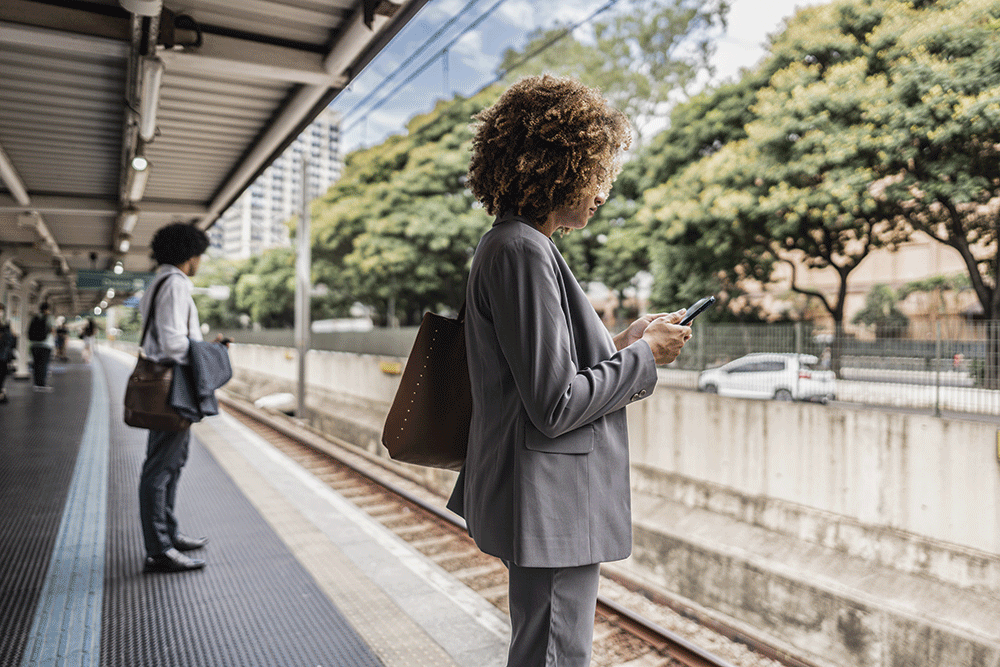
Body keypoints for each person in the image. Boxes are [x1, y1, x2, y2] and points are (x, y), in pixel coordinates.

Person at [446, 75, 692, 667]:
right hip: (549, 495)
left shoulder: (515, 245)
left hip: (542, 492)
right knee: (556, 654)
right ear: (555, 169)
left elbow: (541, 370)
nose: (601, 190)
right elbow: (555, 404)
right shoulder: (523, 250)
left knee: (545, 646)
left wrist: (626, 341)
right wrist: (645, 357)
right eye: (595, 171)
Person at [138, 222, 214, 574]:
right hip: (172, 389)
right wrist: (206, 354)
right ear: (190, 255)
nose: (200, 261)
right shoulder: (176, 284)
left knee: (172, 462)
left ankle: (168, 534)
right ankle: (159, 550)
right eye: (199, 255)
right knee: (160, 468)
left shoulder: (158, 283)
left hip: (166, 386)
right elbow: (172, 343)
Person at [27, 302, 54, 392]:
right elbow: (52, 330)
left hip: (34, 344)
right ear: (48, 309)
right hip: (45, 345)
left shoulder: (34, 317)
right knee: (43, 364)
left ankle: (36, 383)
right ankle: (41, 384)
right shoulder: (49, 317)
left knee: (36, 364)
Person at [0, 302, 15, 404]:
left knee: (2, 373)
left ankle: (1, 392)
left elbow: (10, 340)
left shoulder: (4, 325)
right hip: (2, 354)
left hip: (3, 355)